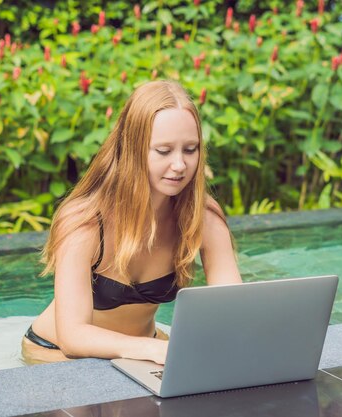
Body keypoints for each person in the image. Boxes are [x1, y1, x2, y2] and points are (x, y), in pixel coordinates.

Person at [22, 80, 242, 365]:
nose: (179, 165)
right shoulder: (86, 222)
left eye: (190, 150)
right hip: (54, 353)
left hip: (146, 351)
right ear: (132, 149)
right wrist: (154, 352)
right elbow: (72, 337)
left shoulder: (201, 217)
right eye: (163, 151)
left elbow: (234, 307)